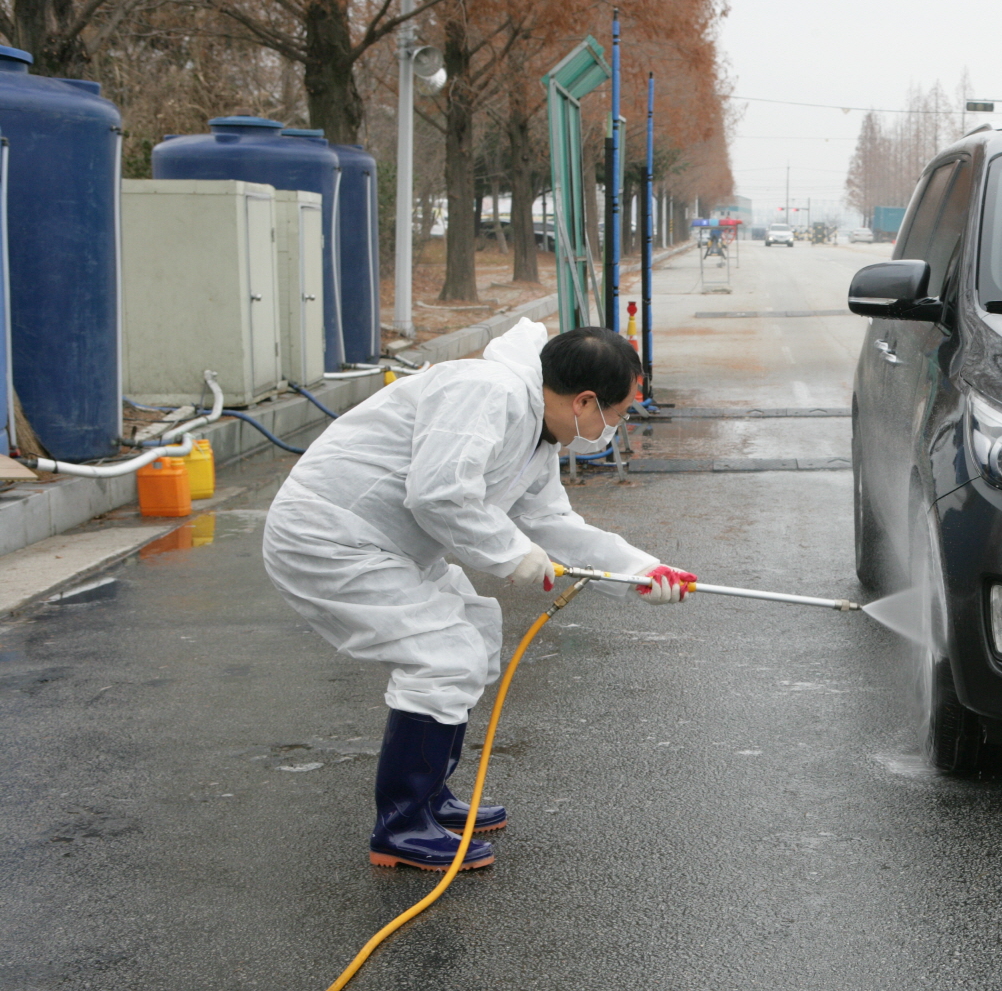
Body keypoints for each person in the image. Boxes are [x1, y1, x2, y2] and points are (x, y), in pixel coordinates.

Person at [262, 320, 694, 872]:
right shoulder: (486, 391)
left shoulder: (538, 431)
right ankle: (401, 825)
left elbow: (549, 522)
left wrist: (642, 569)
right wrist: (512, 554)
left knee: (475, 633)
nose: (618, 425)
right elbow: (439, 494)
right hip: (330, 537)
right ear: (585, 401)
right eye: (618, 413)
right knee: (443, 655)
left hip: (387, 546)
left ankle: (431, 797)